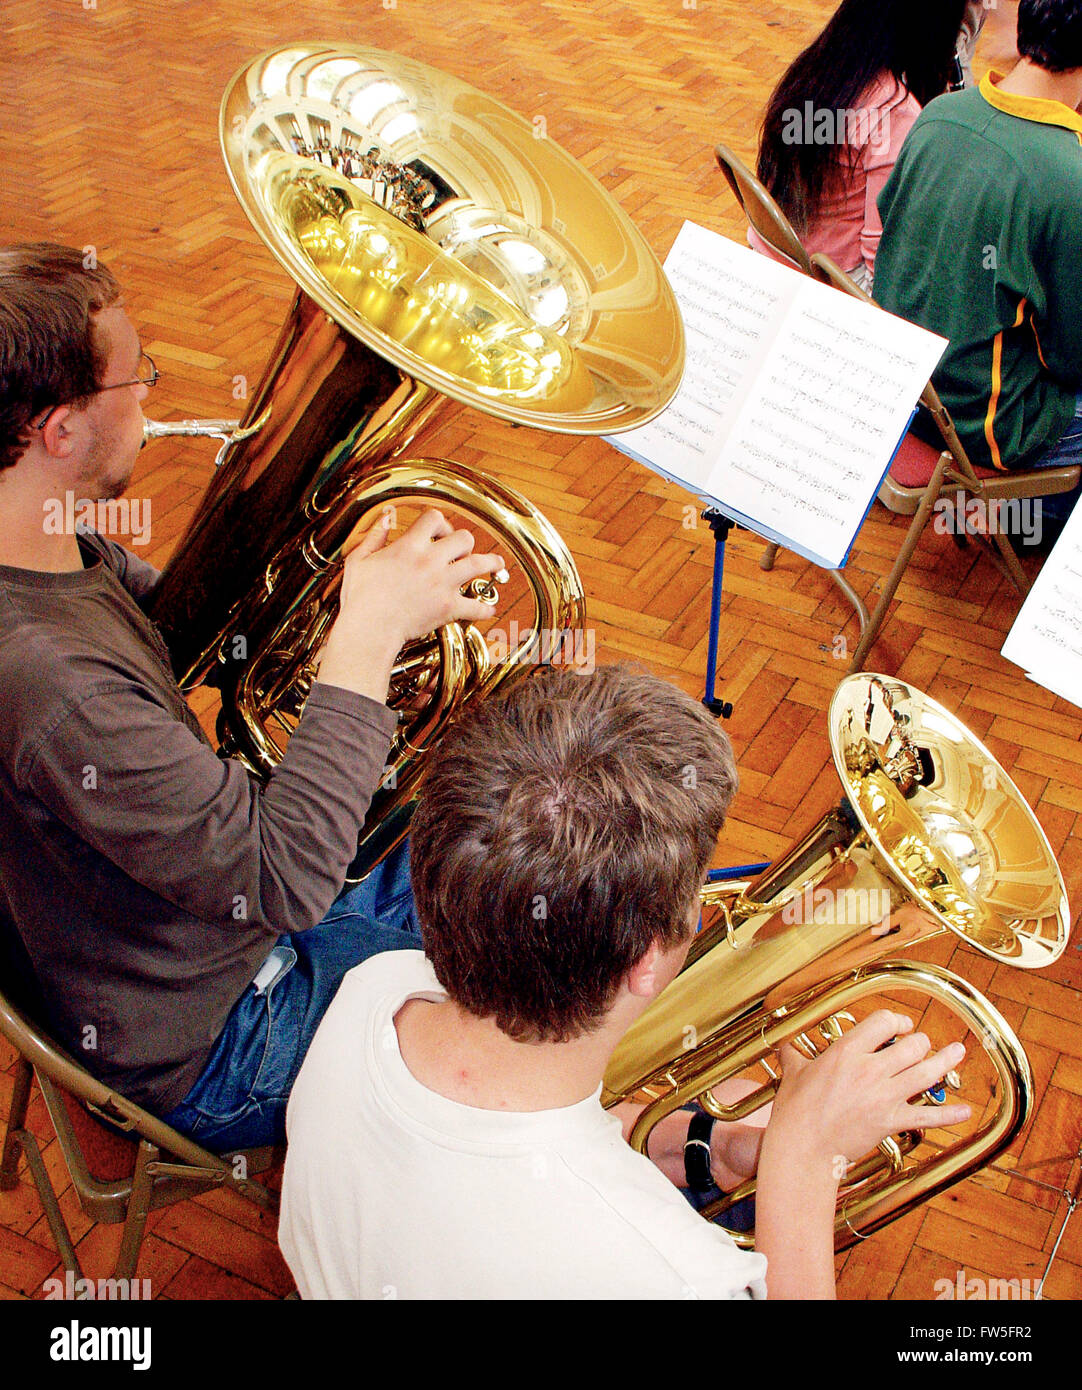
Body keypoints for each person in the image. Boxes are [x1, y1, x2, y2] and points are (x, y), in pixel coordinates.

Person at [0, 242, 507, 1151]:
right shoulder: (54, 686)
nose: (152, 395)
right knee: (552, 965)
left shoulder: (42, 545)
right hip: (217, 1034)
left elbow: (170, 632)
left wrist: (333, 589)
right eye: (135, 378)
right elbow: (288, 879)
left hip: (170, 944)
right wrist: (366, 636)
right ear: (61, 431)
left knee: (518, 840)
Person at [278, 663, 970, 1300]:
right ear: (647, 959)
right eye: (696, 891)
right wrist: (804, 1166)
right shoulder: (679, 1278)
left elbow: (509, 1139)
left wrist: (706, 1149)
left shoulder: (378, 988)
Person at [872, 0, 1082, 518]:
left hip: (903, 390)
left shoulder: (939, 114)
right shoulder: (1066, 177)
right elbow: (1069, 359)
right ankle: (1035, 518)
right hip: (984, 428)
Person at [753, 0, 969, 289]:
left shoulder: (816, 69)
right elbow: (882, 256)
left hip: (769, 251)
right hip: (827, 281)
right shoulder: (895, 113)